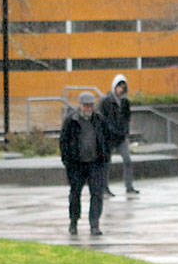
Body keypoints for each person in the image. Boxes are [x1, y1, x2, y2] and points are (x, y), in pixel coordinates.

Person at [59, 91, 109, 236]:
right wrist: (67, 160)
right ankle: (73, 222)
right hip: (76, 164)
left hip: (95, 163)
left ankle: (94, 224)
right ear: (80, 105)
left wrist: (105, 157)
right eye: (86, 105)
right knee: (75, 194)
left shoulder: (99, 120)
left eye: (91, 105)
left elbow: (106, 138)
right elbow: (64, 141)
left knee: (97, 194)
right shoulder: (71, 120)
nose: (88, 108)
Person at [99, 74, 138, 195]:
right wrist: (109, 131)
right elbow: (102, 118)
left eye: (123, 87)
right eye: (119, 86)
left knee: (127, 160)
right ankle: (104, 188)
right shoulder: (106, 101)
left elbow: (127, 118)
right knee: (106, 163)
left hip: (121, 137)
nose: (121, 89)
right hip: (108, 137)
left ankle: (129, 186)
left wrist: (125, 132)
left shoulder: (125, 102)